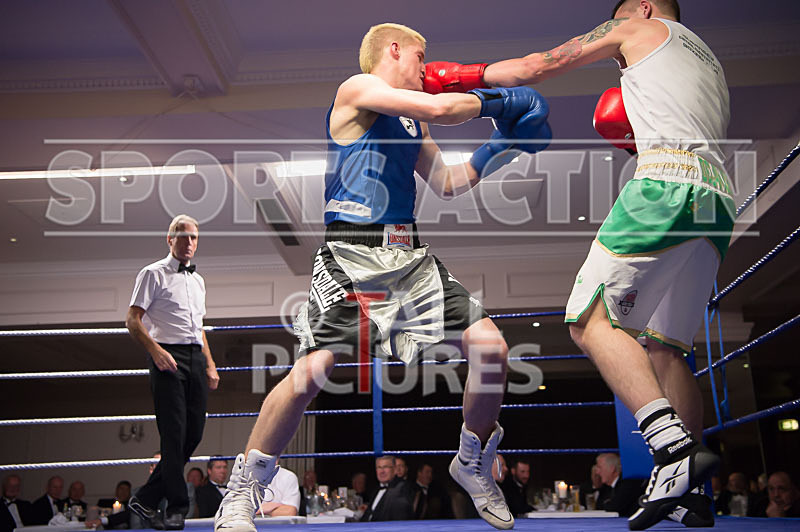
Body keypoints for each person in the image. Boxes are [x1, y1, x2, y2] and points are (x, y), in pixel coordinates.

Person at [214, 22, 550, 532]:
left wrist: (505, 145)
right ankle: (245, 488)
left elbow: (448, 182)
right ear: (393, 50)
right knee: (313, 370)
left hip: (409, 256)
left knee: (492, 349)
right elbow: (440, 105)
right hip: (351, 252)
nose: (426, 67)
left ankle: (473, 460)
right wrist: (501, 102)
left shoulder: (414, 122)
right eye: (422, 55)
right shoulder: (359, 89)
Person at [422, 1, 731, 528]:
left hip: (666, 183)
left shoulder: (635, 23)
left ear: (644, 7)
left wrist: (456, 78)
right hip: (718, 199)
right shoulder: (707, 61)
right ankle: (690, 495)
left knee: (588, 320)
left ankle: (673, 450)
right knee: (667, 349)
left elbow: (538, 66)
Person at [126, 214, 220, 531]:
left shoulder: (198, 280)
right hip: (166, 355)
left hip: (194, 356)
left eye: (194, 237)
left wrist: (210, 362)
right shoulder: (152, 273)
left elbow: (199, 328)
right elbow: (132, 320)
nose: (189, 242)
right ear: (170, 239)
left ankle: (146, 498)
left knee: (194, 432)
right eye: (183, 236)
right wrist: (155, 351)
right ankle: (178, 507)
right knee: (174, 433)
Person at [360, 456, 414, 522]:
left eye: (385, 467)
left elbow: (399, 519)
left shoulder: (401, 487)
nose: (382, 471)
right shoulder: (377, 489)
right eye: (379, 467)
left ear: (394, 470)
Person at [594, 453, 645, 518]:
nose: (597, 472)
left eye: (599, 467)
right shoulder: (606, 487)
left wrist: (608, 503)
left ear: (612, 469)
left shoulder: (628, 483)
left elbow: (615, 507)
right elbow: (599, 506)